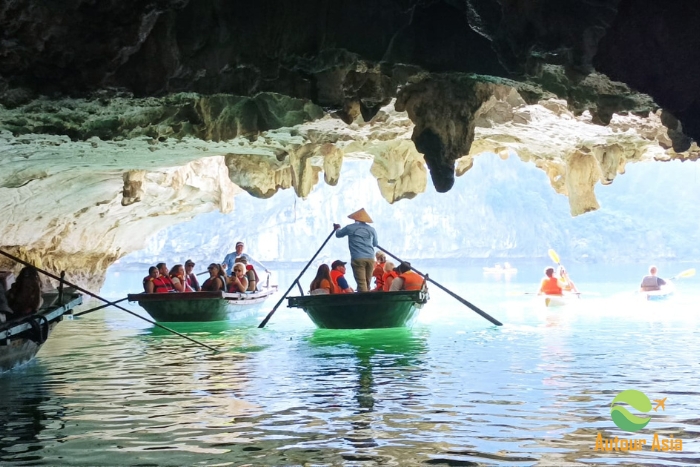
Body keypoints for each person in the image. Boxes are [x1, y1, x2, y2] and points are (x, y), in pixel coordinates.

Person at [333, 208, 378, 292]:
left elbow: (338, 234)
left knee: (362, 283)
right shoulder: (372, 230)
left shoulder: (350, 228)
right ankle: (368, 300)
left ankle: (364, 302)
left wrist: (337, 228)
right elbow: (375, 244)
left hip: (358, 258)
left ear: (355, 218)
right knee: (367, 283)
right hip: (371, 258)